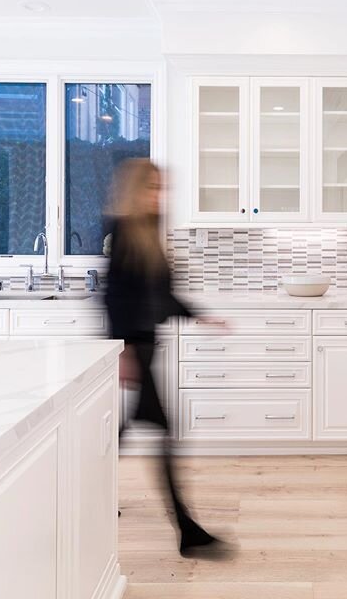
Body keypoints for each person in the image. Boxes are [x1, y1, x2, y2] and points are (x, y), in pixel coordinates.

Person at [104, 158, 224, 558]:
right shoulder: (124, 232)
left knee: (117, 436)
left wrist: (200, 316)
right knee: (161, 434)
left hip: (144, 348)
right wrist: (121, 351)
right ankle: (187, 530)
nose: (160, 194)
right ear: (136, 190)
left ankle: (84, 499)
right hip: (134, 350)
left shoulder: (149, 234)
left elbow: (161, 295)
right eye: (152, 187)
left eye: (161, 187)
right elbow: (115, 298)